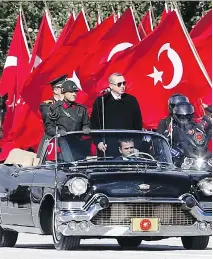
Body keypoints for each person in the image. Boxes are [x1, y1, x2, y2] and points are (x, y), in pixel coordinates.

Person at [90, 73, 142, 154]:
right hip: (107, 147)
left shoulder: (131, 100)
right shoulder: (101, 101)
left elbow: (138, 125)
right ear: (111, 86)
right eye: (119, 84)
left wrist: (136, 145)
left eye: (124, 83)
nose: (122, 86)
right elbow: (94, 124)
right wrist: (98, 142)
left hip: (127, 148)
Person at [171, 102, 211, 167]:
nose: (185, 117)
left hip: (197, 156)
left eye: (187, 115)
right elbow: (165, 142)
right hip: (180, 158)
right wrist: (173, 151)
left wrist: (209, 134)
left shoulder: (197, 125)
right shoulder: (172, 127)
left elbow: (208, 128)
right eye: (181, 116)